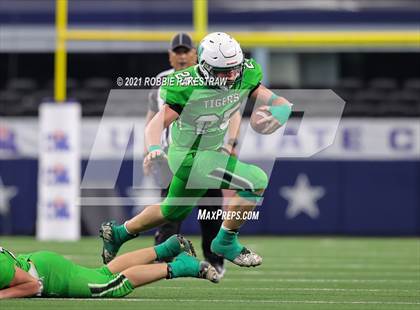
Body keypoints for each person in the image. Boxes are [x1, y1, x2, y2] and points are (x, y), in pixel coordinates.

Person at [100, 32, 292, 269]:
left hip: (208, 154)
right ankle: (226, 242)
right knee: (257, 180)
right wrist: (152, 148)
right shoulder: (185, 84)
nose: (232, 76)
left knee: (170, 211)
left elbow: (274, 100)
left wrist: (281, 111)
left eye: (235, 68)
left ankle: (118, 233)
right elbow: (155, 124)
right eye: (224, 71)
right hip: (188, 157)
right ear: (205, 67)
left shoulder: (245, 72)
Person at [143, 33, 237, 275]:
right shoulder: (162, 80)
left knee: (211, 209)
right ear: (170, 55)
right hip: (171, 156)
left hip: (207, 153)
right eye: (178, 51)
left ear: (196, 54)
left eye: (187, 51)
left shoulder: (213, 77)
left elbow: (234, 112)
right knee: (170, 210)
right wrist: (148, 150)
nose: (182, 56)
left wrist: (231, 144)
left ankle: (215, 258)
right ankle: (162, 258)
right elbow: (152, 117)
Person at [0, 235, 219, 299]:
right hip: (41, 263)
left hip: (46, 274)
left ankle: (182, 266)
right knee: (103, 274)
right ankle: (167, 248)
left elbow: (31, 285)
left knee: (111, 286)